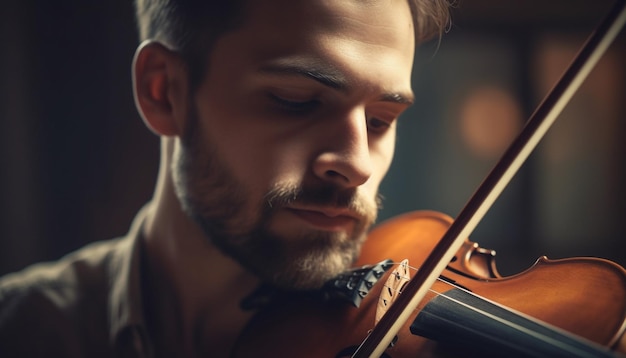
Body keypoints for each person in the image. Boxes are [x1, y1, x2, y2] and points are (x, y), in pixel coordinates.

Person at [0, 0, 451, 356]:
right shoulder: (19, 332)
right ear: (164, 92)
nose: (357, 165)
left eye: (380, 121)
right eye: (295, 100)